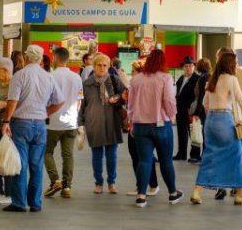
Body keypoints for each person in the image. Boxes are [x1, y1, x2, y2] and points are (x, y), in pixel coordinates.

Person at [190, 51, 242, 206]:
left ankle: (197, 191)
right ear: (230, 65)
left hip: (210, 122)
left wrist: (212, 117)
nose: (237, 66)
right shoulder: (231, 79)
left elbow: (205, 103)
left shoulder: (212, 79)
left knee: (209, 156)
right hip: (224, 120)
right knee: (236, 154)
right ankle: (240, 194)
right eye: (235, 63)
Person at [1, 45, 64, 213]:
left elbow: (12, 101)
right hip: (40, 125)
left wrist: (6, 121)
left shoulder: (19, 75)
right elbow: (59, 101)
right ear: (40, 58)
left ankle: (19, 203)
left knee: (20, 164)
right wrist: (45, 112)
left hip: (21, 124)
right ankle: (35, 203)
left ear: (27, 57)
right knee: (36, 165)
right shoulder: (48, 77)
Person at [128, 49, 183, 208]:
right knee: (166, 161)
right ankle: (173, 194)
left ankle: (141, 196)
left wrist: (131, 121)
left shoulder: (136, 80)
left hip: (139, 126)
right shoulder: (165, 78)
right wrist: (172, 115)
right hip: (161, 126)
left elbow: (130, 105)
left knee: (144, 161)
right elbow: (169, 100)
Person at [79, 53, 126, 194]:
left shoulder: (114, 80)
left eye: (105, 65)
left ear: (109, 66)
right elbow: (81, 105)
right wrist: (80, 123)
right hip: (94, 123)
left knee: (112, 155)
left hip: (112, 122)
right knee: (97, 156)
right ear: (94, 66)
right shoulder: (86, 84)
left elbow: (126, 95)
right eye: (99, 65)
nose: (102, 68)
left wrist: (117, 98)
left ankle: (112, 183)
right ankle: (98, 183)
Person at [43, 47, 84, 199]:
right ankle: (67, 187)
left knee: (47, 152)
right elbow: (79, 100)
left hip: (53, 122)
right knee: (68, 155)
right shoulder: (76, 77)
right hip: (71, 122)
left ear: (54, 58)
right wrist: (74, 115)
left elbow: (46, 100)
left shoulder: (50, 76)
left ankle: (55, 180)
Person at [213, 47, 242, 200]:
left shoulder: (218, 77)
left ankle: (221, 186)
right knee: (238, 154)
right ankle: (236, 187)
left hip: (224, 119)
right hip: (241, 121)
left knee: (221, 154)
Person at [125, 60, 159, 197]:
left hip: (142, 125)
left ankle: (153, 185)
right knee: (135, 156)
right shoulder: (132, 86)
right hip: (133, 125)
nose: (131, 74)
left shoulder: (144, 87)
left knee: (145, 157)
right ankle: (141, 185)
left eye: (133, 71)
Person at [0, 57, 14, 205]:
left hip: (8, 127)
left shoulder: (14, 85)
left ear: (5, 70)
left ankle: (9, 193)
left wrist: (3, 104)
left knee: (7, 159)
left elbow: (16, 104)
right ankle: (1, 192)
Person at [173, 56, 199, 161]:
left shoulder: (197, 79)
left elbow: (198, 96)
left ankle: (195, 155)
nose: (188, 68)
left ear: (194, 67)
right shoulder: (180, 79)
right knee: (181, 132)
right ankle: (181, 153)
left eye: (190, 66)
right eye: (186, 66)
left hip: (191, 110)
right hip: (180, 110)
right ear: (183, 67)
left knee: (193, 132)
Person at [188, 58, 212, 163]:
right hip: (206, 108)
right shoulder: (208, 76)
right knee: (203, 132)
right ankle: (203, 155)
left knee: (201, 131)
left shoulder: (203, 77)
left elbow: (202, 95)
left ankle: (201, 156)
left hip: (202, 109)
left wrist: (197, 112)